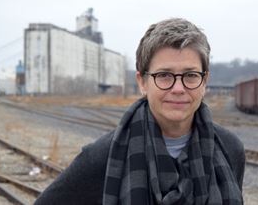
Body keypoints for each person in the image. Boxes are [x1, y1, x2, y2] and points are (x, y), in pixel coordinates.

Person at [34, 18, 245, 205]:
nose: (178, 88)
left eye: (190, 75)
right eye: (164, 75)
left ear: (204, 81)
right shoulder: (102, 158)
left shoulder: (229, 150)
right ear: (142, 82)